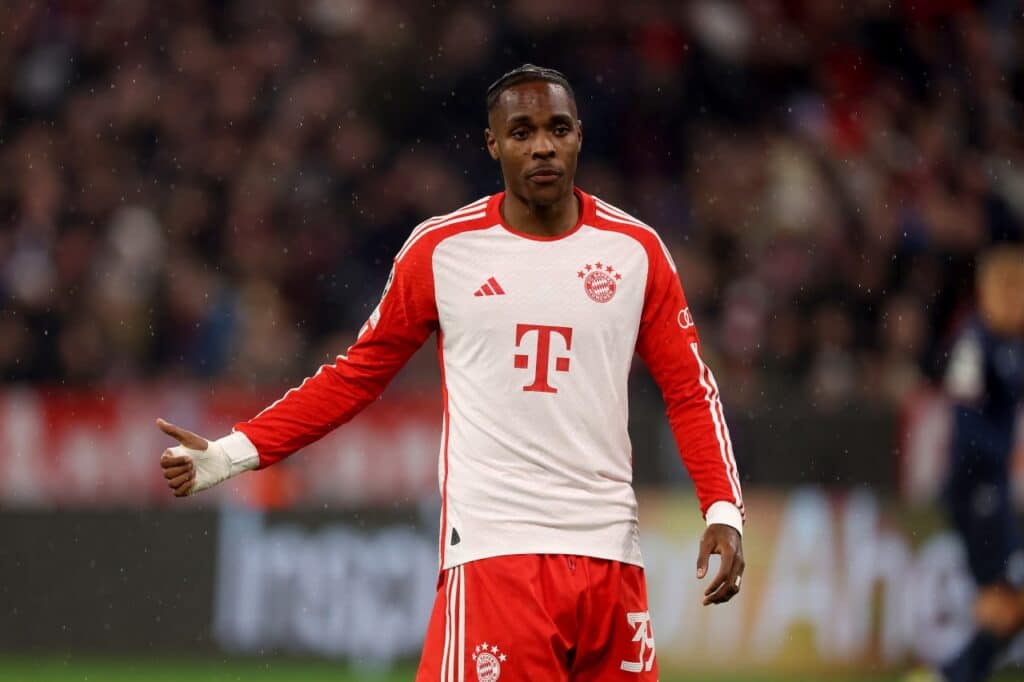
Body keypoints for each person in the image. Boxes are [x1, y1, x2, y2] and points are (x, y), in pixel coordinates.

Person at [158, 64, 745, 681]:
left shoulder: (635, 251)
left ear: (579, 135)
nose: (542, 146)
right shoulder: (443, 250)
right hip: (499, 560)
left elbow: (690, 391)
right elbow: (355, 376)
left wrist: (723, 510)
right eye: (521, 132)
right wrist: (232, 454)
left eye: (557, 128)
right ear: (493, 144)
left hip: (612, 563)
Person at [935, 245, 1024, 682]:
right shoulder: (973, 343)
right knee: (1002, 600)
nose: (1014, 299)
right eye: (1006, 289)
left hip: (1001, 489)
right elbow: (964, 420)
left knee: (1008, 602)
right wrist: (1009, 451)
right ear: (985, 292)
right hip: (976, 489)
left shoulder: (1014, 345)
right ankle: (954, 675)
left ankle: (957, 674)